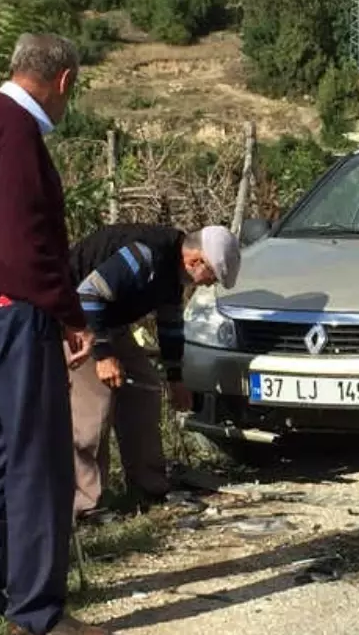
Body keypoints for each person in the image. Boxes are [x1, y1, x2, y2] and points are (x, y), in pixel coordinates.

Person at [0, 32, 115, 635]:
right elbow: (26, 245)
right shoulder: (17, 132)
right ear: (64, 79)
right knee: (40, 463)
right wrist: (71, 317)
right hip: (15, 314)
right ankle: (36, 610)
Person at [67, 223, 241, 522]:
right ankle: (86, 504)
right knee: (95, 402)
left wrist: (176, 378)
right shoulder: (144, 255)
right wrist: (104, 355)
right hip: (76, 320)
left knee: (145, 388)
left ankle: (149, 486)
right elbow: (87, 294)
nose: (209, 284)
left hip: (108, 323)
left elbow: (170, 324)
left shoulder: (172, 273)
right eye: (212, 276)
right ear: (195, 261)